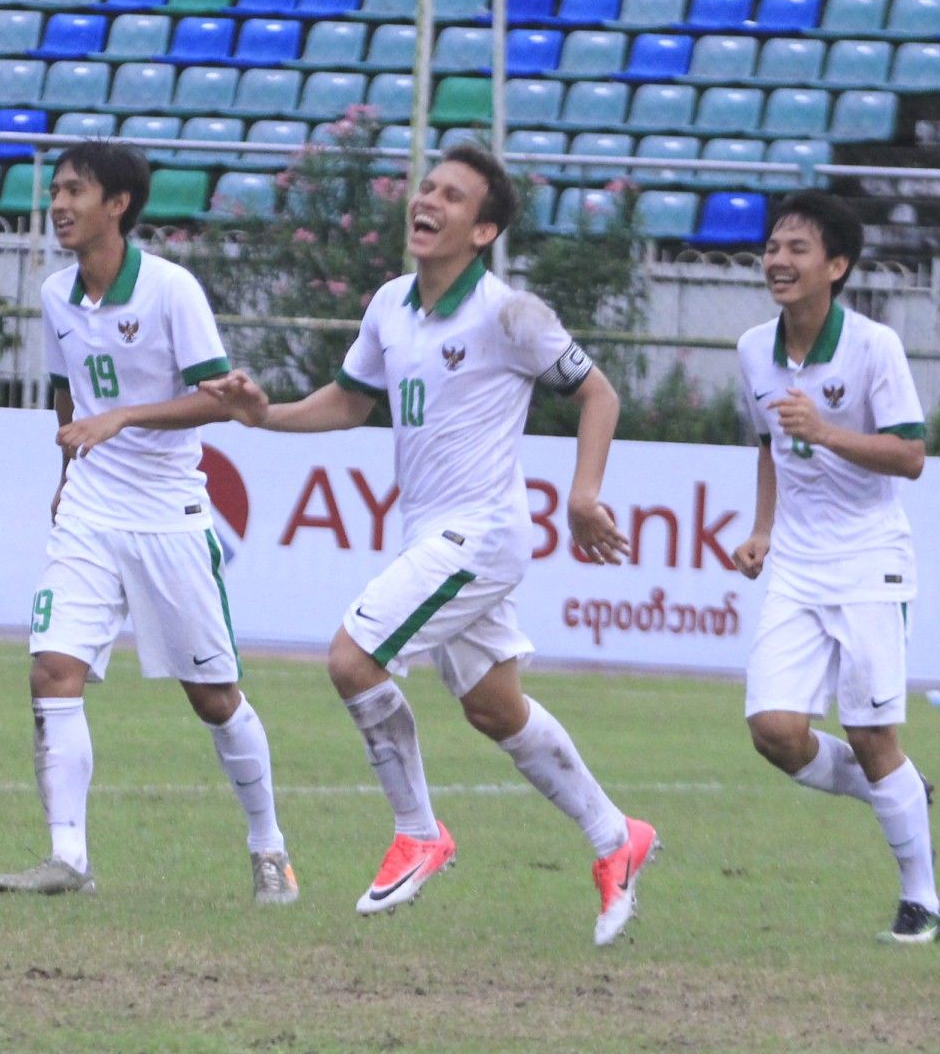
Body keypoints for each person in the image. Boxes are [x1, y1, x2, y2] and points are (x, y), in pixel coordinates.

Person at [203, 144, 659, 947]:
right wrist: (261, 415)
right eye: (427, 188)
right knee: (492, 706)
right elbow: (349, 403)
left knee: (352, 659)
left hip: (480, 531)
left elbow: (598, 392)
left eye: (453, 197)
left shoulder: (511, 313)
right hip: (432, 528)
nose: (430, 202)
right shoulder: (389, 303)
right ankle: (617, 837)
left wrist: (584, 497)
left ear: (482, 230)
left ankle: (419, 831)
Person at [0, 141, 297, 905]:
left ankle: (270, 849)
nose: (59, 204)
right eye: (55, 190)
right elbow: (68, 396)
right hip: (91, 511)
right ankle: (68, 858)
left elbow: (218, 398)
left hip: (168, 516)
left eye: (75, 191)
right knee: (52, 672)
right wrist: (67, 477)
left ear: (118, 204)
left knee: (214, 698)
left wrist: (122, 418)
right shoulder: (59, 294)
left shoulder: (170, 290)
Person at [728, 190, 940, 944]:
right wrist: (761, 530)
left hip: (868, 560)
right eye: (773, 247)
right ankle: (905, 796)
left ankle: (922, 900)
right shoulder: (754, 347)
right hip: (795, 560)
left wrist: (824, 429)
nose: (778, 261)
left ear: (837, 266)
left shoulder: (873, 346)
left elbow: (910, 455)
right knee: (774, 731)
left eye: (797, 249)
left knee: (871, 731)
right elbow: (768, 445)